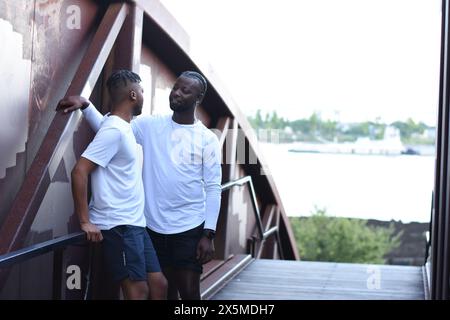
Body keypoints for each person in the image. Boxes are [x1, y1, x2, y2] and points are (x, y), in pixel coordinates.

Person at [58, 71, 222, 300]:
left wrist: (209, 233)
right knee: (161, 290)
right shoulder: (149, 125)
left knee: (189, 292)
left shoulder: (207, 139)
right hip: (151, 226)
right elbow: (111, 128)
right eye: (176, 87)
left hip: (188, 227)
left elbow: (214, 187)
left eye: (186, 91)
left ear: (199, 98)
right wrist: (86, 106)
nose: (177, 93)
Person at [69, 70, 167, 300]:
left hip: (135, 224)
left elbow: (102, 123)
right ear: (133, 95)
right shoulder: (114, 130)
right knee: (138, 291)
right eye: (142, 91)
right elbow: (79, 171)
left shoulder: (121, 127)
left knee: (159, 285)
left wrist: (85, 104)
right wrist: (85, 220)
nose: (143, 95)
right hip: (118, 225)